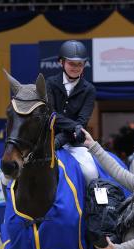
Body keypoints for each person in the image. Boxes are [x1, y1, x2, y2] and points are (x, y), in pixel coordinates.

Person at [46, 40, 98, 183]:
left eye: (79, 64)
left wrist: (60, 140)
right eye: (71, 63)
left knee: (91, 172)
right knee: (10, 174)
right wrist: (73, 127)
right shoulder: (49, 83)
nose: (76, 67)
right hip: (46, 140)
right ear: (61, 62)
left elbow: (82, 122)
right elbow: (51, 114)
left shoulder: (89, 89)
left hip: (74, 142)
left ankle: (92, 204)